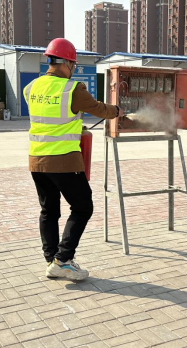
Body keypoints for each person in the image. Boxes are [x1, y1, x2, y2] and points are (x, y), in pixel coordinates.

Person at [23, 38, 122, 281]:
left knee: (49, 211)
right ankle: (63, 259)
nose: (73, 68)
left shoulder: (31, 87)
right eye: (73, 64)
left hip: (37, 160)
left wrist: (74, 124)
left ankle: (52, 260)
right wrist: (118, 111)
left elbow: (51, 118)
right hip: (64, 161)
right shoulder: (72, 88)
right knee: (82, 207)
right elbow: (99, 108)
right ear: (67, 63)